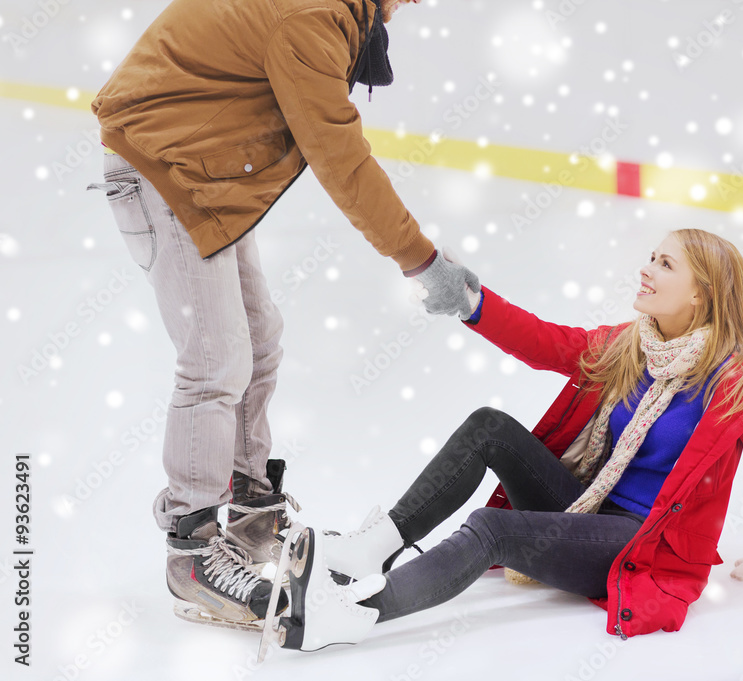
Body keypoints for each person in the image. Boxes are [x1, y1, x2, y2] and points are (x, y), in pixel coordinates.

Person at [86, 0, 479, 629]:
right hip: (162, 165)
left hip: (203, 169)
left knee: (260, 342)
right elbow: (341, 160)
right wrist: (422, 261)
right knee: (215, 359)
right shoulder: (311, 18)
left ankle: (247, 510)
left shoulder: (338, 14)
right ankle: (192, 548)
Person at [261, 228, 743, 653]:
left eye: (665, 265)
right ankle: (367, 550)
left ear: (703, 294)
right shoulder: (633, 344)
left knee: (491, 530)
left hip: (636, 545)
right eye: (651, 256)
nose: (645, 270)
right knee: (489, 426)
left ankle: (352, 616)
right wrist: (471, 303)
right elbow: (548, 344)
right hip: (585, 506)